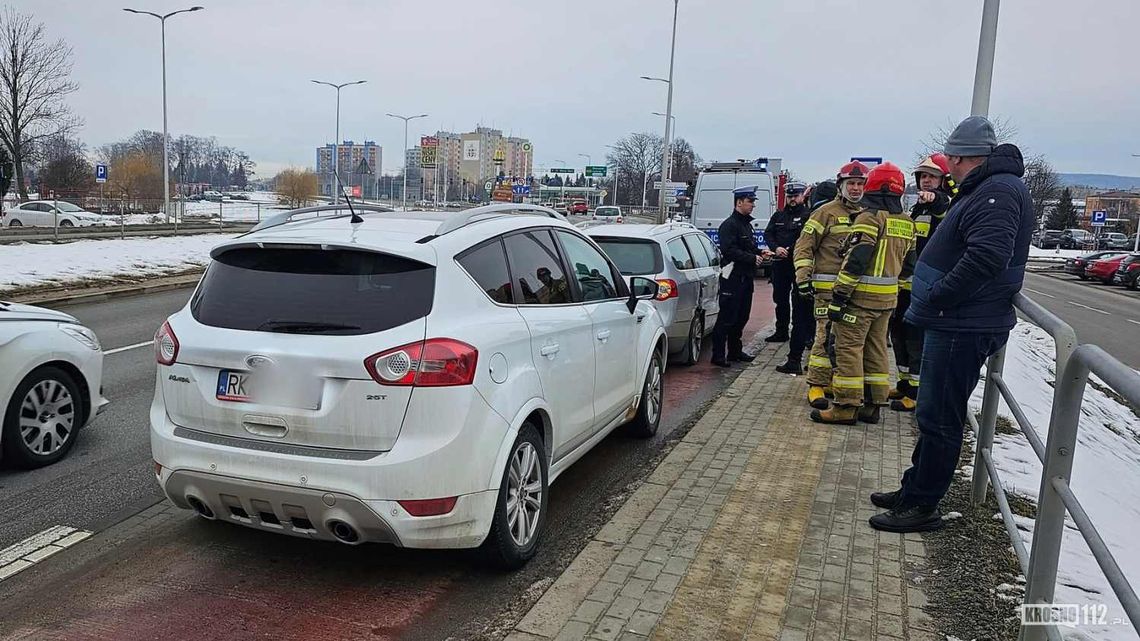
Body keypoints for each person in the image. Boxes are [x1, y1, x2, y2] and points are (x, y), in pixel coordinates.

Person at [870, 116, 1034, 533]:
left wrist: (939, 292)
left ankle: (923, 505)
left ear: (960, 157)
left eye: (951, 161)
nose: (949, 169)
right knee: (932, 412)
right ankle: (913, 490)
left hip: (962, 321)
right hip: (959, 318)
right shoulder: (992, 187)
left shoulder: (996, 192)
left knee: (939, 416)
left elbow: (987, 257)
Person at [810, 162, 915, 426]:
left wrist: (840, 295)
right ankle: (872, 405)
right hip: (887, 301)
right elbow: (910, 265)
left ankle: (845, 407)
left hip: (859, 301)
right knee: (877, 350)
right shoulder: (906, 221)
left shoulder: (869, 218)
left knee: (848, 350)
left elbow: (857, 259)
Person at [793, 163, 867, 408]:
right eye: (851, 184)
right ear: (841, 186)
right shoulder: (825, 212)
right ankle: (816, 385)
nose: (856, 189)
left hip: (855, 291)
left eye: (860, 184)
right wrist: (803, 277)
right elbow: (804, 246)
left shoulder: (870, 213)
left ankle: (840, 383)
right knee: (824, 337)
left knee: (848, 343)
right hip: (827, 291)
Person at [888, 153, 957, 412]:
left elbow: (942, 205)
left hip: (923, 287)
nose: (926, 182)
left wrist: (936, 198)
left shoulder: (943, 205)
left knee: (917, 340)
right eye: (923, 176)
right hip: (904, 285)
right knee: (900, 336)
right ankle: (904, 384)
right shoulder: (917, 208)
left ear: (943, 179)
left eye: (932, 177)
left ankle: (916, 392)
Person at [710, 185, 764, 368]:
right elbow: (729, 250)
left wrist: (762, 253)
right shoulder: (729, 225)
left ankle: (734, 351)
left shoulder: (746, 224)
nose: (752, 205)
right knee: (727, 318)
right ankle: (718, 355)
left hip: (746, 278)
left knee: (742, 317)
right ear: (739, 202)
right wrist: (752, 258)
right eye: (750, 201)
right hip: (732, 278)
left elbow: (748, 247)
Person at [766, 182, 815, 374]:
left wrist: (791, 250)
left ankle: (805, 336)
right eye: (789, 196)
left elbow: (807, 239)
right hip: (780, 264)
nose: (792, 199)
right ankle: (781, 330)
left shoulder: (807, 216)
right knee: (780, 299)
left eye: (795, 196)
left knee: (802, 301)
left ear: (802, 196)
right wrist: (775, 247)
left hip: (798, 264)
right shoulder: (779, 216)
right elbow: (769, 233)